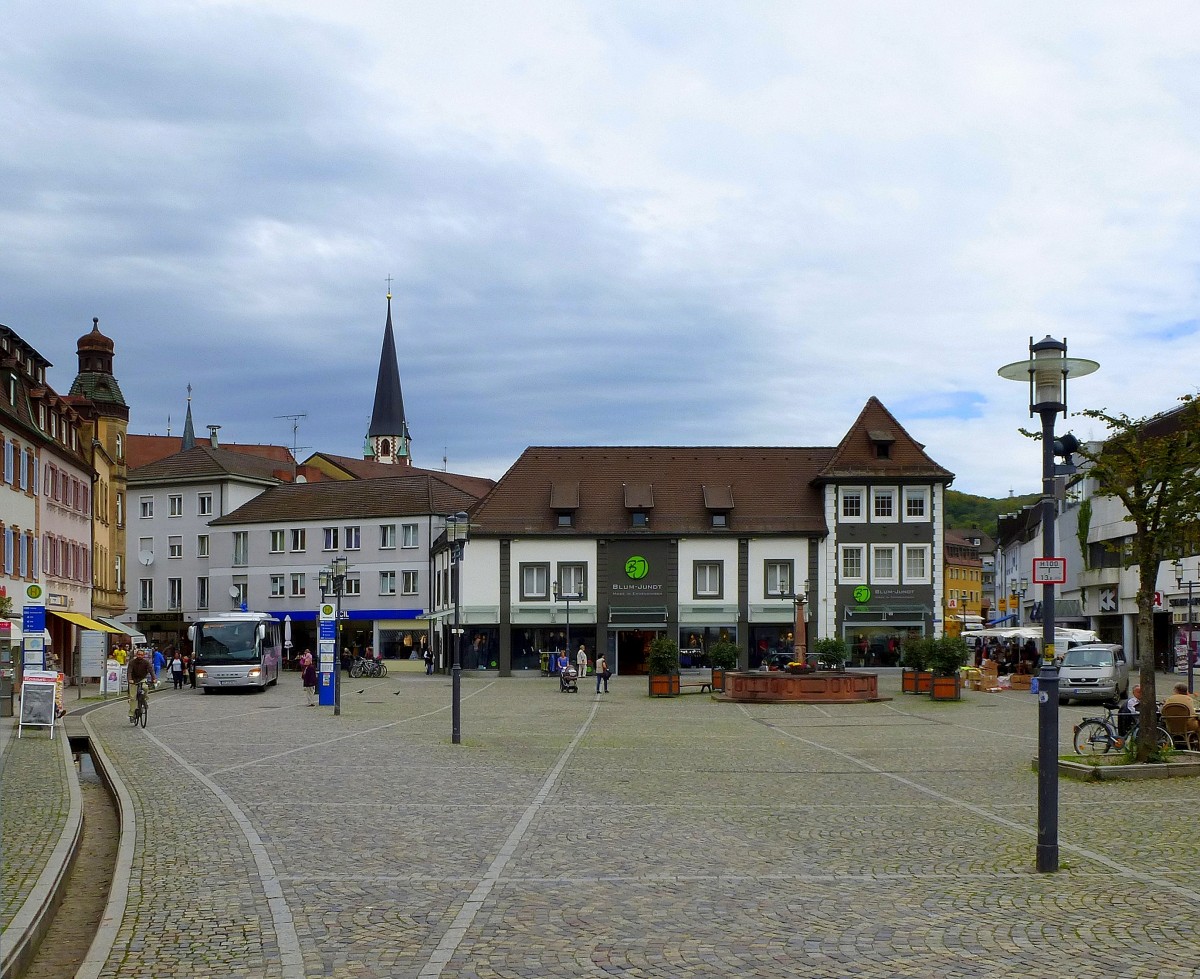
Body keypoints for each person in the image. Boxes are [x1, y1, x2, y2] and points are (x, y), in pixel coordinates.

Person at [128, 649, 153, 720]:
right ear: (136, 655)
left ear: (143, 655)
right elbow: (129, 671)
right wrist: (130, 679)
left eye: (141, 655)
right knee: (133, 698)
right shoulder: (132, 662)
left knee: (145, 687)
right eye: (138, 654)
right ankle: (132, 714)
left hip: (142, 679)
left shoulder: (146, 662)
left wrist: (154, 678)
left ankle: (144, 698)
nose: (140, 656)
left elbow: (151, 671)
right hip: (133, 680)